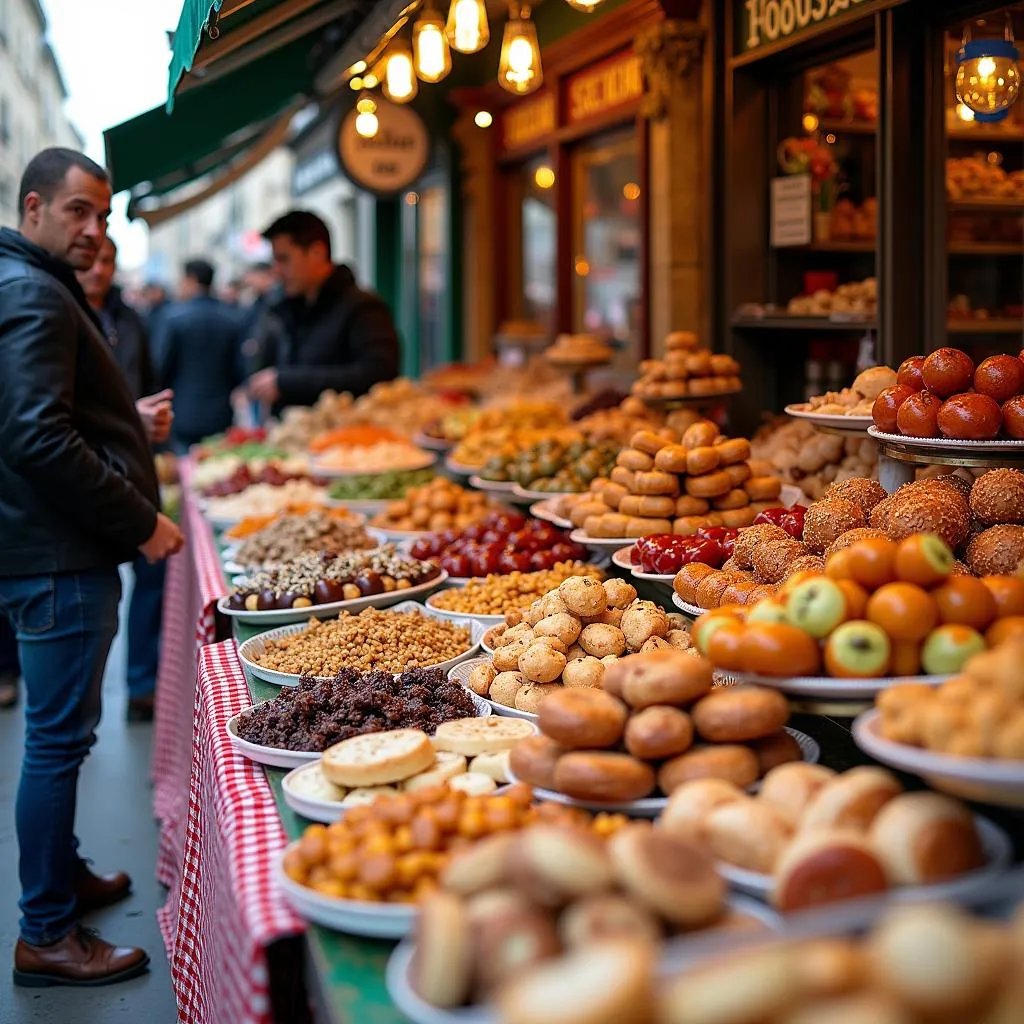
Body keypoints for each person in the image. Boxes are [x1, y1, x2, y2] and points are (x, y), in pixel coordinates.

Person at [0, 147, 184, 986]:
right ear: (33, 205)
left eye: (103, 216)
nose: (92, 230)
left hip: (37, 548)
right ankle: (46, 932)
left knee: (57, 742)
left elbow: (40, 415)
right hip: (59, 556)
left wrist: (123, 424)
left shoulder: (22, 281)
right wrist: (141, 519)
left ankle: (62, 875)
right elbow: (36, 437)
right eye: (77, 211)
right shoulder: (35, 292)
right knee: (56, 745)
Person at [77, 236, 173, 722]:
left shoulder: (132, 320)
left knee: (151, 573)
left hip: (134, 468)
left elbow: (149, 386)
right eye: (92, 259)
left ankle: (142, 684)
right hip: (83, 472)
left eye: (109, 260)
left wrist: (153, 420)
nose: (99, 268)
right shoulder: (58, 314)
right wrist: (128, 419)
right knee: (93, 585)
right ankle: (83, 701)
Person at [246, 210, 399, 412]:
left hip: (348, 437)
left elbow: (378, 375)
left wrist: (288, 382)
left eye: (284, 259)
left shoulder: (363, 308)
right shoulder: (289, 307)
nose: (276, 271)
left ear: (317, 253)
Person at [155, 258, 242, 451]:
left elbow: (161, 367)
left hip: (183, 412)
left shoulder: (173, 318)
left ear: (191, 280)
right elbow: (239, 369)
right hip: (221, 413)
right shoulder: (232, 318)